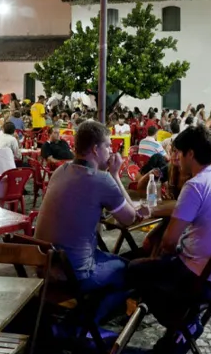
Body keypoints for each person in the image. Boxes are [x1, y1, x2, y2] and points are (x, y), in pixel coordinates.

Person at [126, 126, 211, 352]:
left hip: (206, 278)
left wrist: (166, 260)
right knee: (155, 262)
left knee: (135, 269)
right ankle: (183, 317)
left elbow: (169, 243)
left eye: (179, 154)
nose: (177, 159)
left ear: (190, 154)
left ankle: (183, 323)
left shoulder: (195, 185)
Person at [34, 120, 147, 293]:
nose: (110, 151)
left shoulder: (60, 171)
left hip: (45, 267)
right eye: (108, 146)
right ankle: (91, 318)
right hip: (76, 274)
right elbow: (130, 218)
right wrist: (115, 175)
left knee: (114, 259)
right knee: (132, 270)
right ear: (95, 149)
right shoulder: (102, 180)